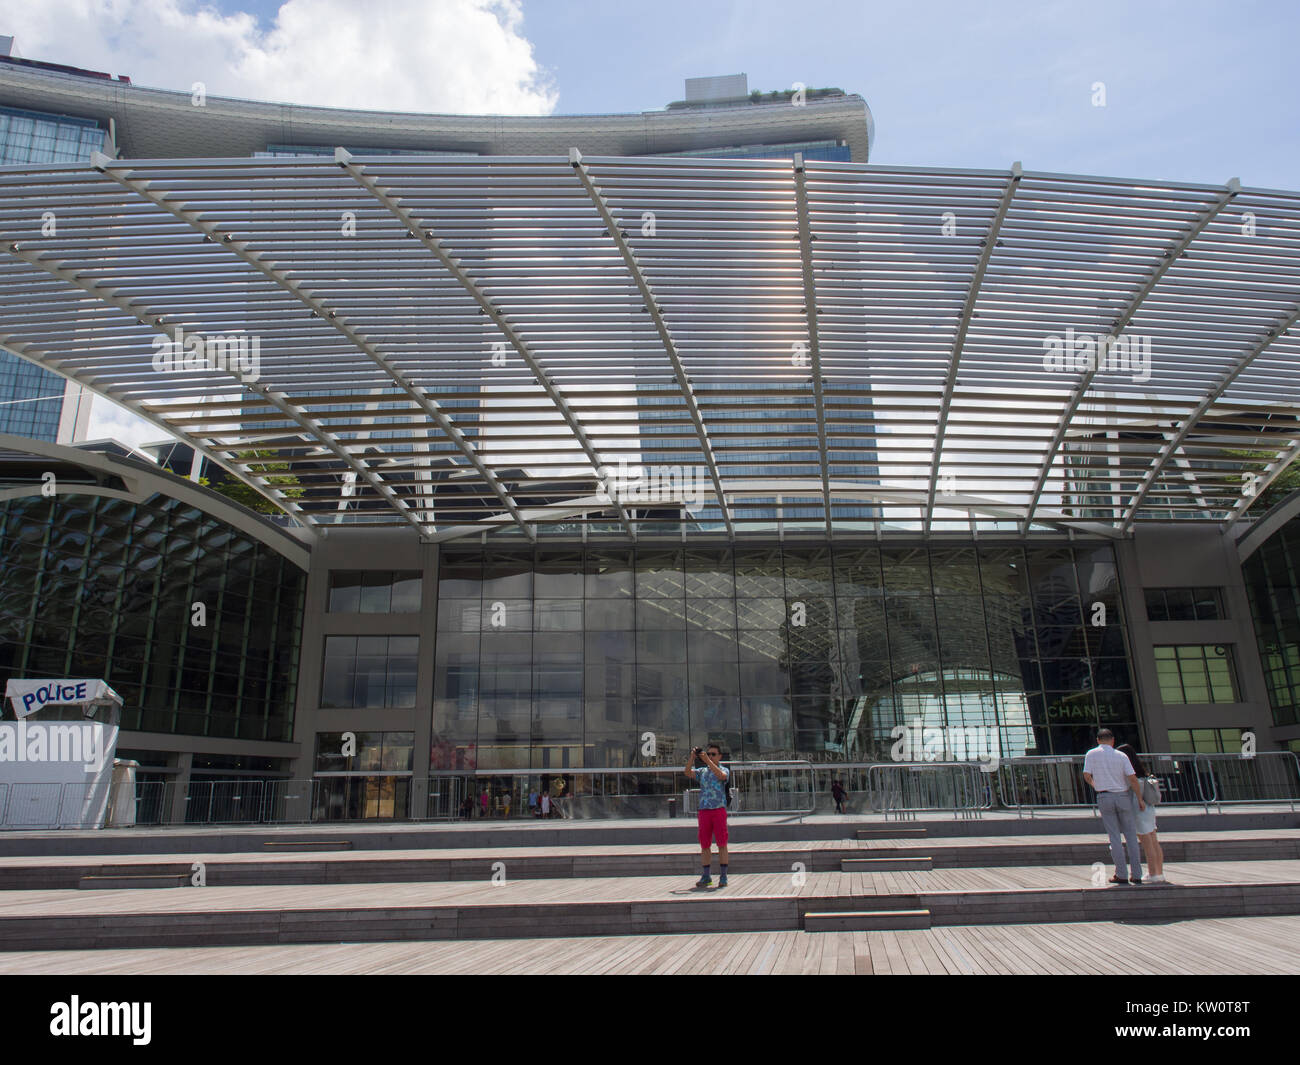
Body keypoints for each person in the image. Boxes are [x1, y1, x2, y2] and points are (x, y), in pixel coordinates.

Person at [1082, 728, 1146, 885]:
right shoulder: (1121, 755)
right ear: (1112, 740)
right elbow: (1132, 778)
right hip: (1123, 796)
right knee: (1131, 836)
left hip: (1104, 796)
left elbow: (1086, 774)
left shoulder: (1091, 754)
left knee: (1114, 837)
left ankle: (1121, 873)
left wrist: (1095, 784)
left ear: (1098, 740)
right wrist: (1139, 798)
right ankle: (1136, 874)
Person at [1118, 744, 1168, 884]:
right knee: (1153, 840)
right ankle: (1159, 873)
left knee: (1147, 843)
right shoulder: (1142, 772)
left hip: (1138, 809)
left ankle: (1152, 873)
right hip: (1149, 809)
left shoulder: (1129, 775)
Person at [684, 742, 729, 888]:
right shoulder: (702, 771)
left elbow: (721, 776)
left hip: (718, 809)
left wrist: (708, 762)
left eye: (713, 754)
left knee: (722, 843)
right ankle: (706, 875)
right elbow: (687, 772)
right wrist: (692, 757)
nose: (710, 756)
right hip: (704, 810)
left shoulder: (724, 769)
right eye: (708, 754)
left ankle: (723, 876)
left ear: (719, 756)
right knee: (705, 845)